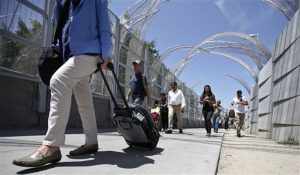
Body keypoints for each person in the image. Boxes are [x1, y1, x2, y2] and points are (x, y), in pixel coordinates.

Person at [13, 0, 112, 167]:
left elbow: (104, 24)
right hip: (71, 54)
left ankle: (51, 145)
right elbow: (60, 24)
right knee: (84, 100)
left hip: (90, 52)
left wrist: (107, 52)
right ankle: (91, 141)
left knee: (58, 81)